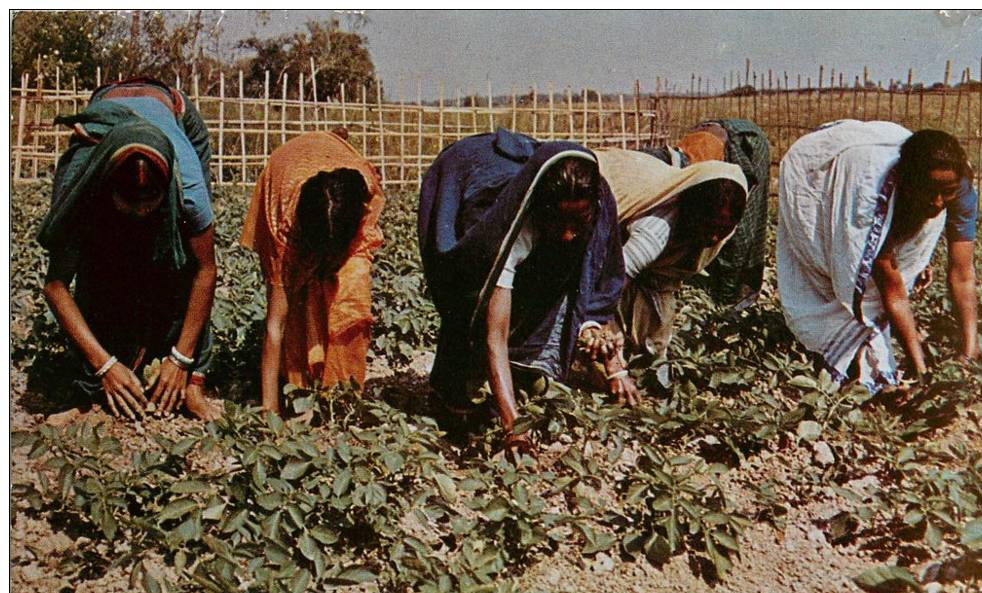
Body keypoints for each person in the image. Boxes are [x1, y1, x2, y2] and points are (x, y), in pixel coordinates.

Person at [418, 128, 625, 448]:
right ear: (539, 207)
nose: (570, 235)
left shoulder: (596, 201)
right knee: (470, 311)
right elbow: (494, 336)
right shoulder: (507, 230)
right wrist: (512, 424)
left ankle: (520, 369)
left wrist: (611, 360)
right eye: (559, 222)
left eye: (578, 223)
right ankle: (451, 389)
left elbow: (597, 277)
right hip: (463, 172)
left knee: (539, 375)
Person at [37, 78, 218, 420]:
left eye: (151, 204)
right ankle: (92, 388)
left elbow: (205, 271)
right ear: (107, 187)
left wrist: (181, 359)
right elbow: (56, 284)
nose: (140, 213)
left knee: (179, 262)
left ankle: (193, 382)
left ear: (168, 190)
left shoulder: (188, 186)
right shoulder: (81, 179)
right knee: (102, 262)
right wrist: (104, 365)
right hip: (107, 106)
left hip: (172, 110)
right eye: (128, 204)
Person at [776, 120, 979, 393]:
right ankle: (838, 326)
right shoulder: (872, 196)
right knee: (849, 271)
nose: (938, 202)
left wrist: (969, 351)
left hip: (893, 194)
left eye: (947, 192)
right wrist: (921, 371)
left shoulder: (961, 191)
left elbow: (962, 274)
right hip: (822, 179)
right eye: (930, 191)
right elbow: (893, 289)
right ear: (909, 184)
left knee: (876, 286)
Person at [583, 147, 748, 402]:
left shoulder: (715, 228)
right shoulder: (656, 231)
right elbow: (603, 293)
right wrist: (614, 368)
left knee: (654, 350)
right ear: (693, 213)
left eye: (723, 229)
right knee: (599, 364)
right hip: (597, 201)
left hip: (640, 259)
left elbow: (661, 285)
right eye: (710, 227)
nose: (715, 237)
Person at [240, 128, 384, 414]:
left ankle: (342, 391)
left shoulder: (361, 192)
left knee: (352, 291)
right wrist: (269, 410)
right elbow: (274, 325)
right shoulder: (283, 227)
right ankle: (298, 385)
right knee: (294, 303)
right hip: (285, 175)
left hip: (337, 177)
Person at [642, 118, 770, 308]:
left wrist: (724, 301)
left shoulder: (733, 162)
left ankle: (734, 295)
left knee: (744, 227)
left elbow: (739, 236)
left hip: (744, 143)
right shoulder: (673, 177)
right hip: (708, 138)